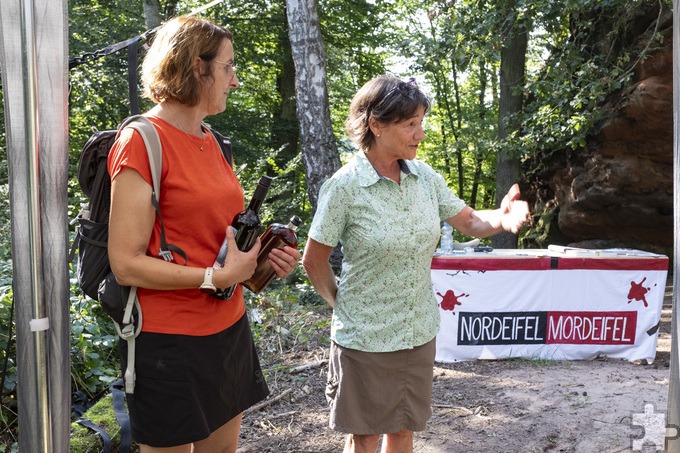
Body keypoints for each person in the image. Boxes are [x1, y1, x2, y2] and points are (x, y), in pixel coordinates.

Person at [301, 75, 530, 453]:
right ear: (376, 124)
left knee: (404, 430)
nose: (420, 134)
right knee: (365, 435)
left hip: (417, 331)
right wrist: (341, 305)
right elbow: (314, 260)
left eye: (421, 122)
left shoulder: (425, 179)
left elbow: (470, 221)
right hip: (366, 337)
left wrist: (503, 219)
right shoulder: (344, 187)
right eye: (411, 124)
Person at [107, 15, 301, 452]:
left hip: (228, 328)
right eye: (229, 66)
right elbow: (125, 264)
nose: (235, 79)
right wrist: (216, 278)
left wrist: (259, 263)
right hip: (167, 341)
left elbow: (218, 244)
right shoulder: (142, 141)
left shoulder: (212, 139)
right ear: (198, 67)